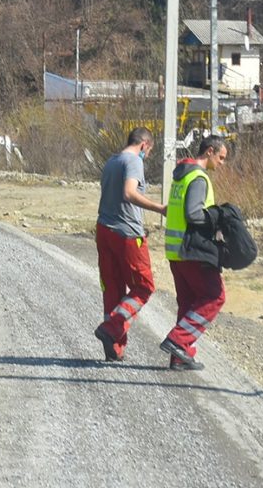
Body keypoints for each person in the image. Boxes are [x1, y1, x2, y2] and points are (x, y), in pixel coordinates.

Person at [92, 127, 168, 361]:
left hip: (104, 230)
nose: (148, 155)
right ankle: (112, 329)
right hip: (127, 234)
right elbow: (129, 193)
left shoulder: (111, 162)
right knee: (144, 287)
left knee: (113, 289)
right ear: (144, 145)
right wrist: (160, 208)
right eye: (149, 151)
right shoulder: (134, 161)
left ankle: (114, 348)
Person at [160, 135, 231, 371]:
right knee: (215, 296)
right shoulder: (199, 178)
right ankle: (178, 341)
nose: (222, 163)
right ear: (209, 151)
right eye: (221, 158)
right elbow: (193, 214)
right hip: (192, 250)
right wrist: (215, 222)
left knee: (188, 302)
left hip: (176, 251)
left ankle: (180, 356)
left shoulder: (182, 174)